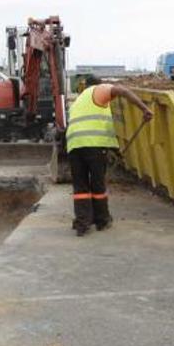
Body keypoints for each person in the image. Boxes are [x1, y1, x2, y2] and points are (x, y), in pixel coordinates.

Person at [66, 77, 153, 236]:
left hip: (73, 145)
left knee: (81, 188)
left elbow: (89, 122)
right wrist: (144, 109)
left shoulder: (78, 100)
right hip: (94, 144)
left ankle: (82, 223)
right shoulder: (99, 90)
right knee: (98, 185)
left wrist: (114, 149)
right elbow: (123, 90)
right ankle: (102, 220)